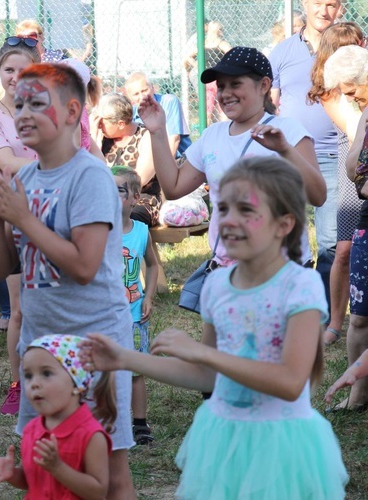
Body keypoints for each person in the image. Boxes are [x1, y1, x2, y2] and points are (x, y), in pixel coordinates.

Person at [80, 157, 349, 498]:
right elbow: (205, 377)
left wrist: (202, 353)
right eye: (223, 209)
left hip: (280, 442)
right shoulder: (218, 285)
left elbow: (290, 382)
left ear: (284, 224)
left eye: (246, 211)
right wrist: (123, 358)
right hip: (221, 435)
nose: (229, 221)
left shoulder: (301, 287)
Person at [0, 63, 136, 499]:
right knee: (41, 462)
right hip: (43, 348)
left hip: (93, 344)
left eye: (36, 104)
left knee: (110, 474)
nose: (22, 113)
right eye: (18, 103)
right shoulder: (23, 178)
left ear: (71, 111)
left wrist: (22, 216)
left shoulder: (90, 176)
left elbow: (84, 266)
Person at [138, 46, 325, 268]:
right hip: (228, 272)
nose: (226, 94)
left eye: (235, 84)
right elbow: (173, 187)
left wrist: (284, 149)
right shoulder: (212, 136)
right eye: (221, 86)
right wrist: (158, 131)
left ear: (264, 85)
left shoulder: (288, 131)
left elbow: (318, 196)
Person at [0, 39, 40, 416]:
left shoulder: (46, 111)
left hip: (52, 212)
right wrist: (58, 170)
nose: (16, 77)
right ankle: (18, 385)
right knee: (18, 310)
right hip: (12, 215)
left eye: (24, 69)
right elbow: (5, 160)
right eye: (9, 70)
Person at [269, 0, 342, 319]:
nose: (325, 11)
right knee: (286, 233)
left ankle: (322, 313)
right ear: (304, 5)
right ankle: (290, 304)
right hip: (291, 155)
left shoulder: (349, 48)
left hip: (333, 154)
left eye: (332, 4)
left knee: (329, 241)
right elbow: (270, 100)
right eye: (318, 3)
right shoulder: (283, 51)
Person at [0, 334, 113, 499]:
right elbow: (33, 481)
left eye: (46, 373)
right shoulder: (32, 430)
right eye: (28, 375)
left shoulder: (91, 435)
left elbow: (98, 492)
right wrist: (14, 475)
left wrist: (58, 468)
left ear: (76, 383)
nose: (34, 383)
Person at [307, 22, 364, 347]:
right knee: (342, 248)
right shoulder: (331, 90)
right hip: (353, 158)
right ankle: (335, 322)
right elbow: (355, 132)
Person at [324, 44, 368, 411]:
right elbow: (355, 168)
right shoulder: (365, 113)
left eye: (352, 90)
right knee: (361, 316)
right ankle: (358, 394)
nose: (351, 99)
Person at [111, 166, 158, 445]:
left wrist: (148, 296)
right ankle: (111, 419)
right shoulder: (97, 231)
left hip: (135, 315)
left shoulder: (141, 231)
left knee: (135, 371)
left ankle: (139, 423)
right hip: (104, 317)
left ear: (134, 197)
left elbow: (152, 265)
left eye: (117, 190)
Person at [96, 93, 161, 226]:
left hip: (139, 199)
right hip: (105, 198)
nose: (98, 125)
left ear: (120, 124)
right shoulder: (101, 139)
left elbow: (138, 180)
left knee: (126, 217)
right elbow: (91, 173)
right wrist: (94, 140)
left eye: (102, 121)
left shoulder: (145, 136)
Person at [123, 72, 191, 158]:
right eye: (136, 94)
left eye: (144, 90)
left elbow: (174, 140)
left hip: (176, 159)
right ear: (130, 96)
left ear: (152, 87)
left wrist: (163, 169)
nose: (142, 96)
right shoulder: (131, 113)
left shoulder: (168, 102)